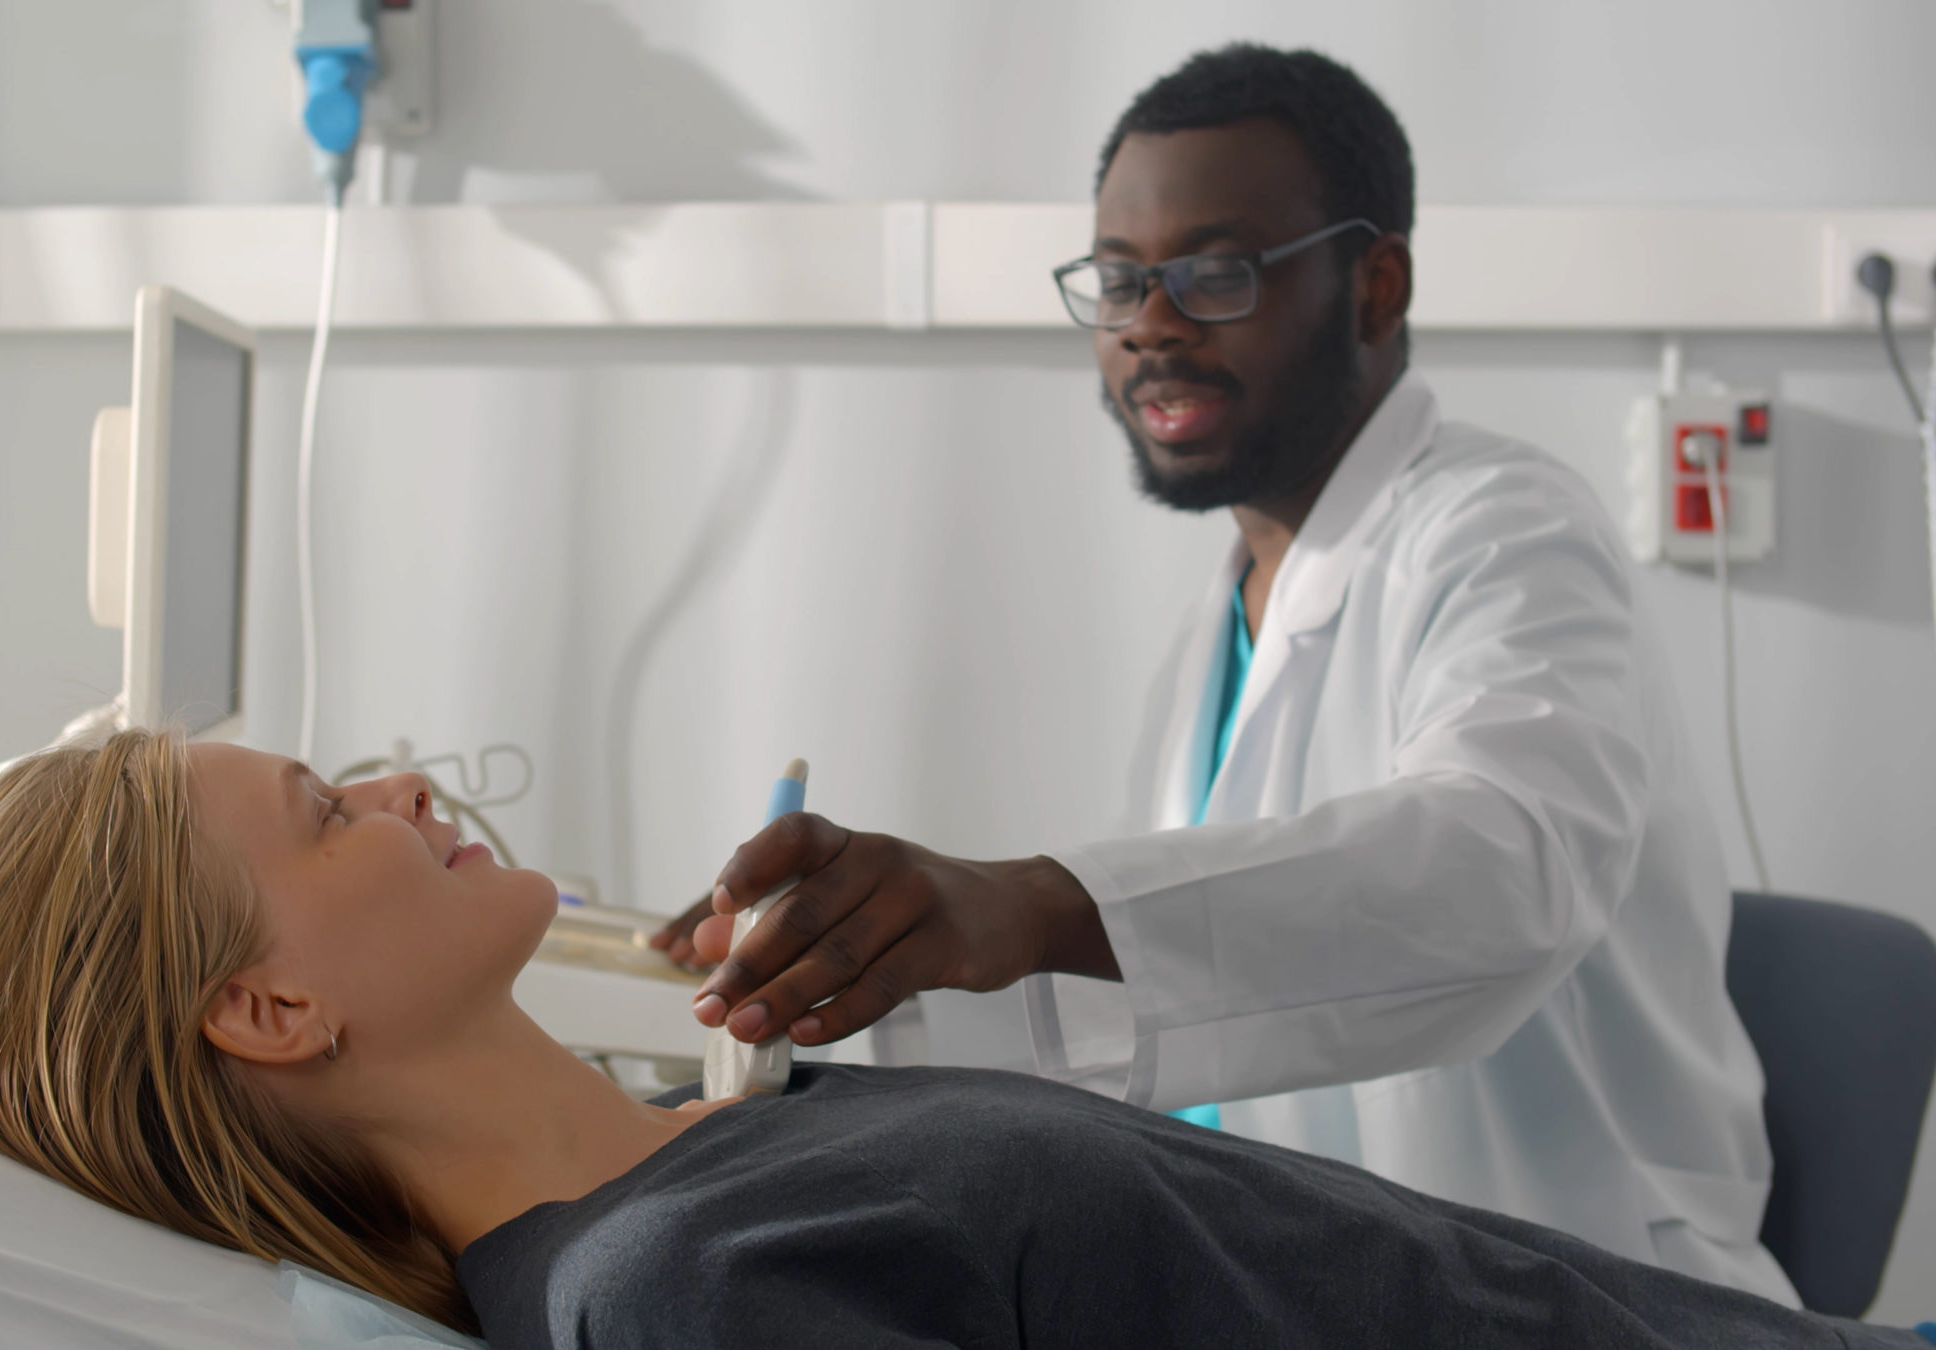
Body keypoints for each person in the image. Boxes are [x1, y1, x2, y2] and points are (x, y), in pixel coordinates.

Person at [657, 42, 1792, 1300]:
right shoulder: (1226, 621)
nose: (1149, 322)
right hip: (1312, 1278)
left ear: (1376, 285)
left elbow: (1497, 871)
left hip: (1577, 1285)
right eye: (1123, 279)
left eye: (1214, 273)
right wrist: (846, 976)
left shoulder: (1509, 530)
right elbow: (1180, 1000)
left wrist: (1026, 901)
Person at [0, 727, 1936, 1347]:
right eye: (325, 810)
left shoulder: (701, 1163)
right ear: (268, 1007)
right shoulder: (676, 1291)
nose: (400, 789)